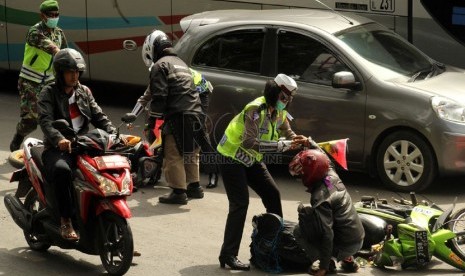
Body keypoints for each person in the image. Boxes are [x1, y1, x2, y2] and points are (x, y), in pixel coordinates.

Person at [216, 73, 310, 270]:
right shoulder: (255, 110)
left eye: (289, 99)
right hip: (232, 156)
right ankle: (228, 255)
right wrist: (281, 146)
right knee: (240, 203)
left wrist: (296, 139)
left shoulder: (279, 111)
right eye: (284, 98)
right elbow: (249, 142)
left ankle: (276, 244)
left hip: (251, 159)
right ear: (274, 93)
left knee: (272, 194)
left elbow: (286, 130)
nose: (287, 102)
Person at [37, 48, 116, 241]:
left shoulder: (84, 91)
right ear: (60, 73)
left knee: (109, 171)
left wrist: (114, 132)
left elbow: (99, 116)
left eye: (77, 72)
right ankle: (66, 220)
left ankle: (113, 228)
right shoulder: (48, 92)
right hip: (58, 148)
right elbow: (45, 121)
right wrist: (59, 140)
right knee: (62, 171)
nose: (75, 76)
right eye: (70, 72)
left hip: (82, 144)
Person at [142, 29, 205, 204]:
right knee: (191, 151)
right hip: (196, 113)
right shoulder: (181, 63)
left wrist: (154, 123)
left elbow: (160, 97)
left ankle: (178, 192)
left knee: (173, 153)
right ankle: (194, 187)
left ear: (153, 49)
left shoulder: (159, 65)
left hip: (178, 115)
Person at [131, 69, 220, 188]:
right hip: (176, 103)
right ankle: (156, 168)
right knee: (158, 131)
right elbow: (146, 97)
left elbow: (203, 92)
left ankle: (213, 172)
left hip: (198, 97)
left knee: (199, 132)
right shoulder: (159, 76)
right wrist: (133, 115)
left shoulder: (174, 74)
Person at [289, 149, 365, 276]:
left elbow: (327, 234)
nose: (301, 174)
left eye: (302, 172)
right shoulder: (331, 175)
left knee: (299, 229)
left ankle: (328, 262)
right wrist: (309, 142)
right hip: (358, 239)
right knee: (335, 220)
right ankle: (348, 259)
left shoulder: (320, 197)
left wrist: (323, 267)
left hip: (345, 246)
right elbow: (324, 158)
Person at [10, 0, 68, 152]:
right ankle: (19, 136)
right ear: (42, 16)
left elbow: (66, 53)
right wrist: (59, 52)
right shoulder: (34, 32)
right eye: (51, 15)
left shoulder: (59, 33)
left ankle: (51, 147)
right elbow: (51, 47)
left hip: (49, 81)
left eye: (57, 14)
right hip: (30, 81)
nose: (54, 17)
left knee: (55, 117)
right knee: (31, 120)